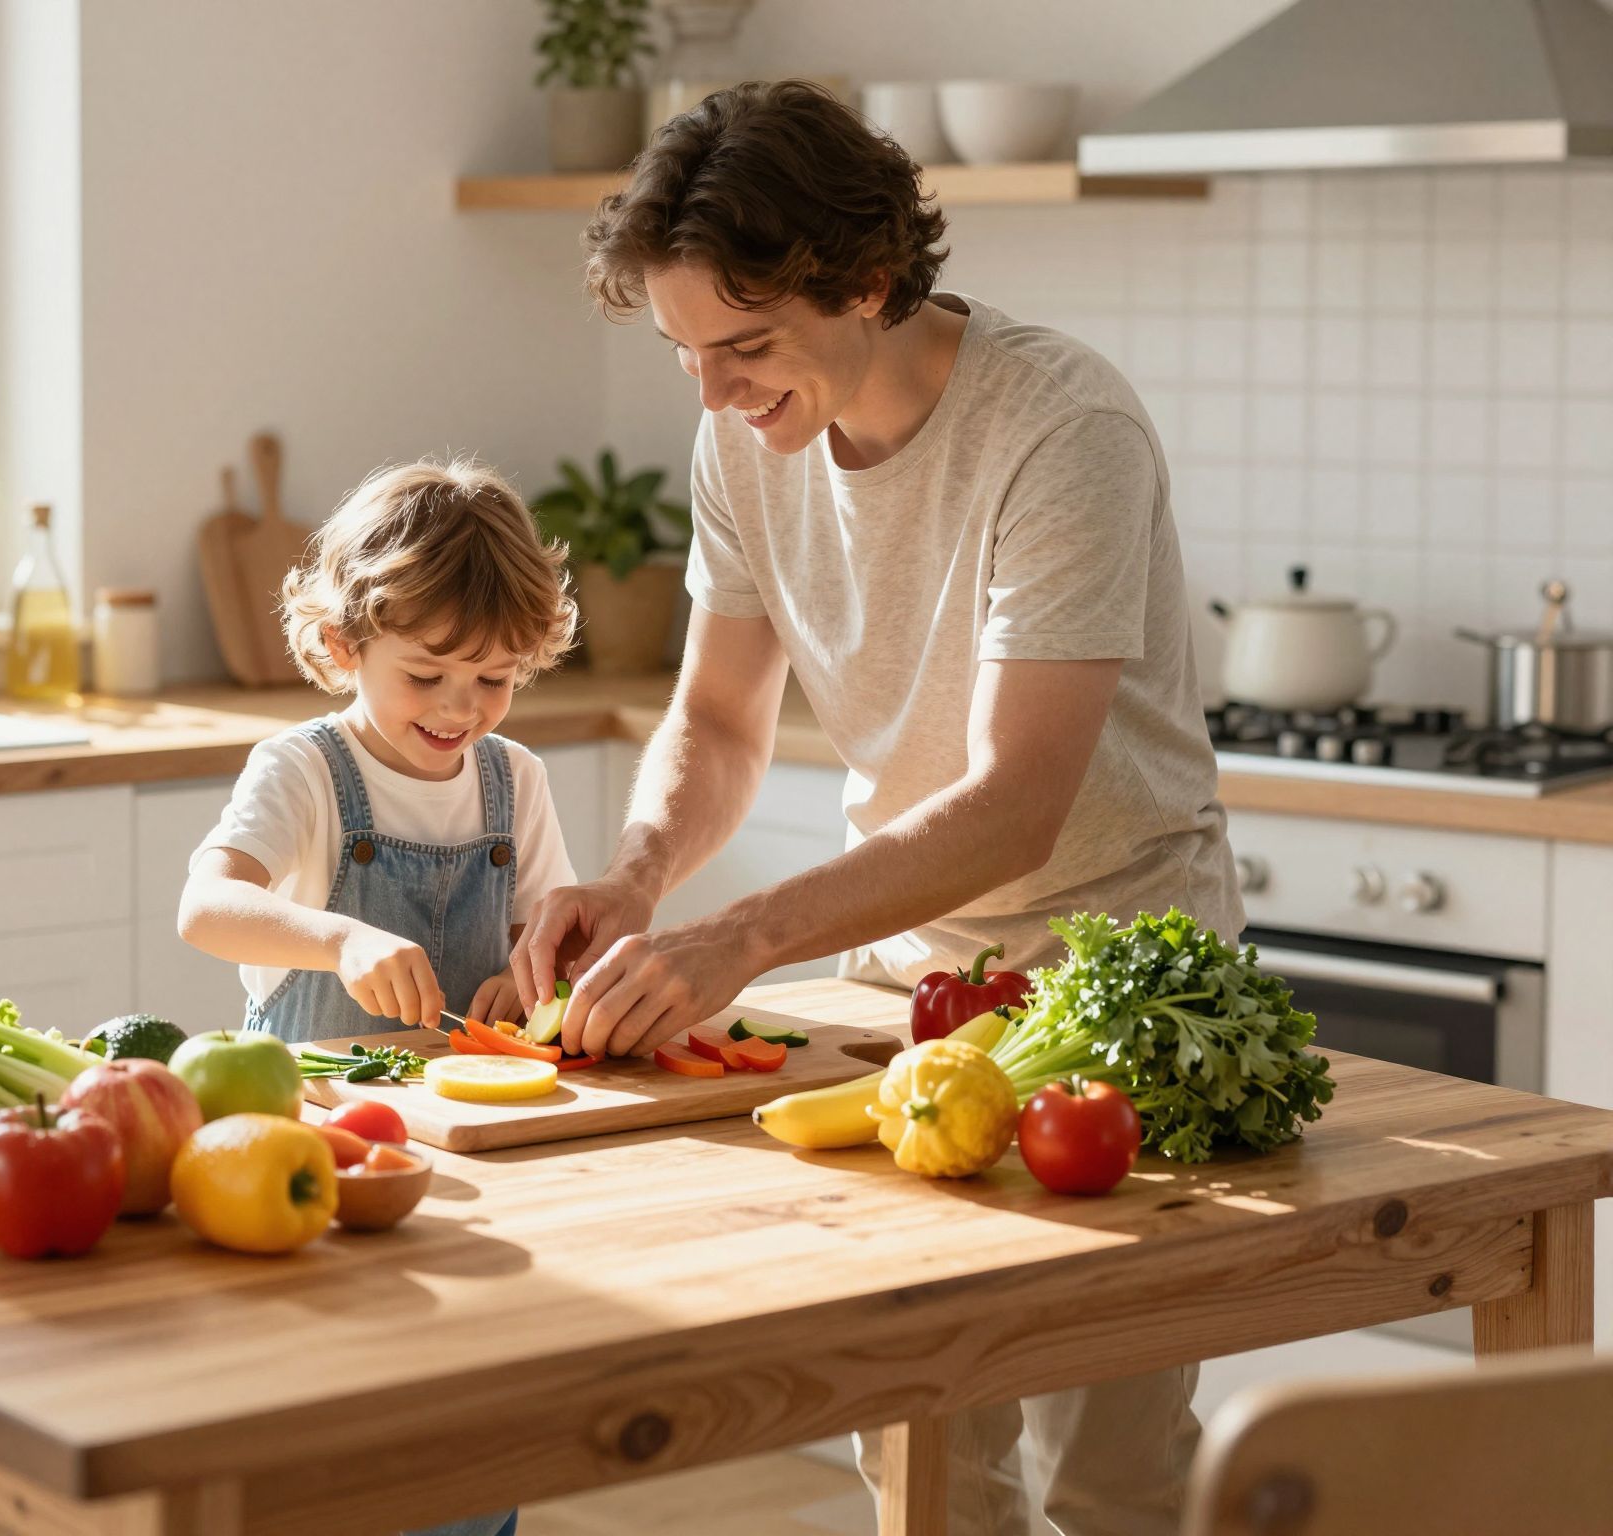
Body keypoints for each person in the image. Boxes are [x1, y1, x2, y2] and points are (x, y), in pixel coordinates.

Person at [509, 81, 1242, 1536]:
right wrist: (643, 872)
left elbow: (1013, 806)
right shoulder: (747, 444)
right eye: (684, 356)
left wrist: (739, 940)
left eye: (744, 347)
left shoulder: (1062, 425)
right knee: (917, 1446)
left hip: (1114, 987)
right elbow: (719, 721)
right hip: (905, 988)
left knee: (1102, 1475)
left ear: (866, 280)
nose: (713, 395)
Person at [179, 456, 579, 1050]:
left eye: (494, 680)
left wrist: (521, 979)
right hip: (320, 1106)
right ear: (346, 646)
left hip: (467, 1102)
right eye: (424, 677)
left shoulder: (516, 778)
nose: (460, 710)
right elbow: (206, 909)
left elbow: (547, 939)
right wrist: (340, 941)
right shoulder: (302, 769)